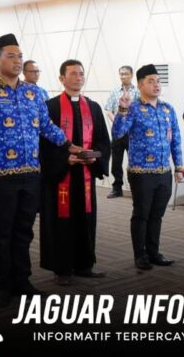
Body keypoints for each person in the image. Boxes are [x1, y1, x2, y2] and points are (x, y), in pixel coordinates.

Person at [0, 33, 83, 307]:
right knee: (1, 234)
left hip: (30, 173)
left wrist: (68, 144)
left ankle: (22, 281)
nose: (17, 60)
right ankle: (2, 285)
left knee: (24, 231)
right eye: (11, 56)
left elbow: (46, 126)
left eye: (20, 56)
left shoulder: (33, 92)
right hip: (0, 175)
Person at [39, 59, 110, 286]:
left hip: (85, 174)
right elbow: (42, 143)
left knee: (85, 219)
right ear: (62, 78)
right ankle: (62, 269)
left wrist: (95, 156)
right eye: (73, 74)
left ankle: (85, 265)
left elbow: (103, 140)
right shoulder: (50, 107)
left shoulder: (94, 107)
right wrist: (64, 159)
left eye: (81, 73)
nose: (78, 77)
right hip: (60, 176)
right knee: (61, 221)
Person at [112, 64, 183, 270]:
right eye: (151, 81)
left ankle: (154, 252)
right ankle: (140, 255)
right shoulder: (133, 108)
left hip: (164, 172)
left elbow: (176, 140)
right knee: (142, 214)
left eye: (158, 81)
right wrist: (122, 110)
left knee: (157, 215)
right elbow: (117, 133)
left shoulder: (167, 109)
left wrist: (178, 167)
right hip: (141, 172)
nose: (156, 85)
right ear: (140, 85)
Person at [104, 65, 139, 199]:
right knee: (116, 162)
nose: (123, 76)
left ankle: (135, 188)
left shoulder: (137, 92)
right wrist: (118, 123)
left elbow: (139, 112)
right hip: (118, 133)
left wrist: (128, 125)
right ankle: (117, 188)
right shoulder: (114, 92)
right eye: (121, 74)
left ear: (131, 75)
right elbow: (109, 110)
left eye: (126, 74)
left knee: (134, 162)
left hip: (132, 133)